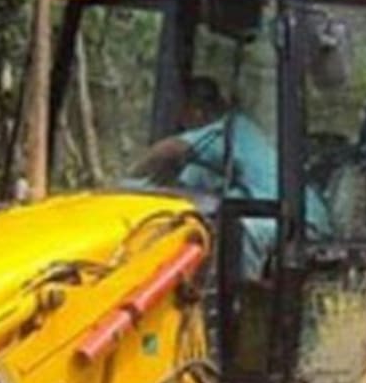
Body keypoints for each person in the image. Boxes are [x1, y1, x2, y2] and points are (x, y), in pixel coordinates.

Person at [132, 76, 330, 276]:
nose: (180, 123)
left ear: (196, 111)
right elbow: (179, 186)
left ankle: (241, 301)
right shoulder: (213, 156)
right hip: (270, 211)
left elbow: (169, 150)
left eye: (181, 114)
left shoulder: (231, 130)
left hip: (300, 217)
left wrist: (123, 181)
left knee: (239, 232)